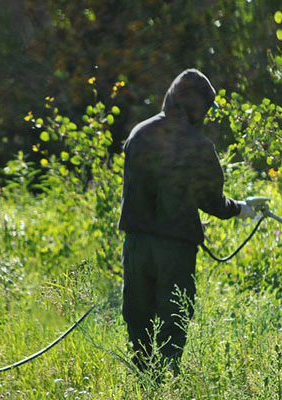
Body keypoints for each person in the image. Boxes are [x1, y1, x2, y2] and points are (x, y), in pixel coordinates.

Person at [118, 69, 255, 374]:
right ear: (197, 107)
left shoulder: (138, 134)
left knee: (138, 319)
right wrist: (241, 209)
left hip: (136, 246)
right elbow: (213, 203)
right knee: (173, 319)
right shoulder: (199, 146)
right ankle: (166, 384)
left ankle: (144, 384)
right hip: (176, 251)